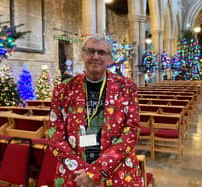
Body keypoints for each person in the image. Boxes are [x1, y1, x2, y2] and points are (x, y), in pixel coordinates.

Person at [47, 34, 143, 187]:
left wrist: (96, 172)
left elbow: (131, 131)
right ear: (83, 54)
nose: (95, 56)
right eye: (90, 51)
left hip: (116, 172)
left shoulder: (126, 87)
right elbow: (54, 134)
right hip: (75, 174)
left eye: (101, 52)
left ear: (110, 58)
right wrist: (81, 171)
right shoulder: (63, 89)